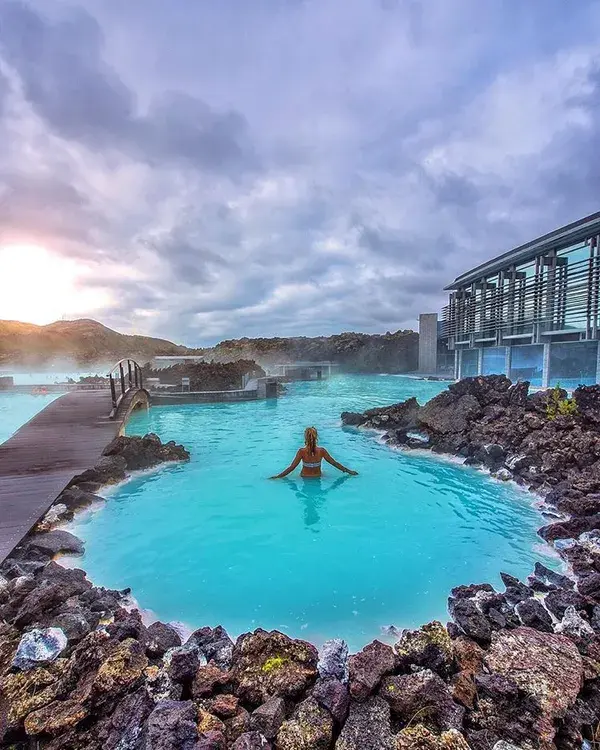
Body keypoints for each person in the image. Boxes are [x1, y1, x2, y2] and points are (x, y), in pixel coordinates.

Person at [270, 426, 358, 479]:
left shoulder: (301, 452)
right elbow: (334, 463)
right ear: (316, 438)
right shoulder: (322, 451)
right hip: (318, 477)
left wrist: (278, 476)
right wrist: (349, 471)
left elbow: (292, 467)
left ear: (305, 438)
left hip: (305, 478)